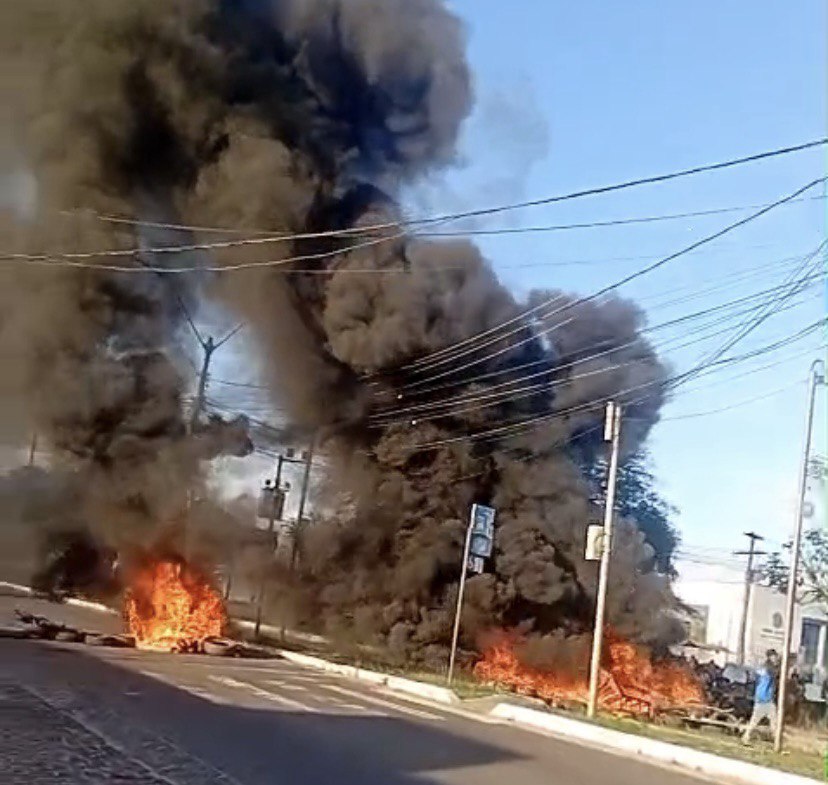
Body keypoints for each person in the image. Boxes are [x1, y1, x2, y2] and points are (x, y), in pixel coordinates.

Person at [743, 649, 780, 744]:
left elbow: (756, 679)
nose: (775, 658)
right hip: (766, 698)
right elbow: (776, 674)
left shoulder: (762, 668)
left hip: (761, 698)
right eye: (774, 656)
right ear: (770, 657)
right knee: (771, 721)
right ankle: (776, 740)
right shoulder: (770, 668)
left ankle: (747, 737)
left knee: (760, 721)